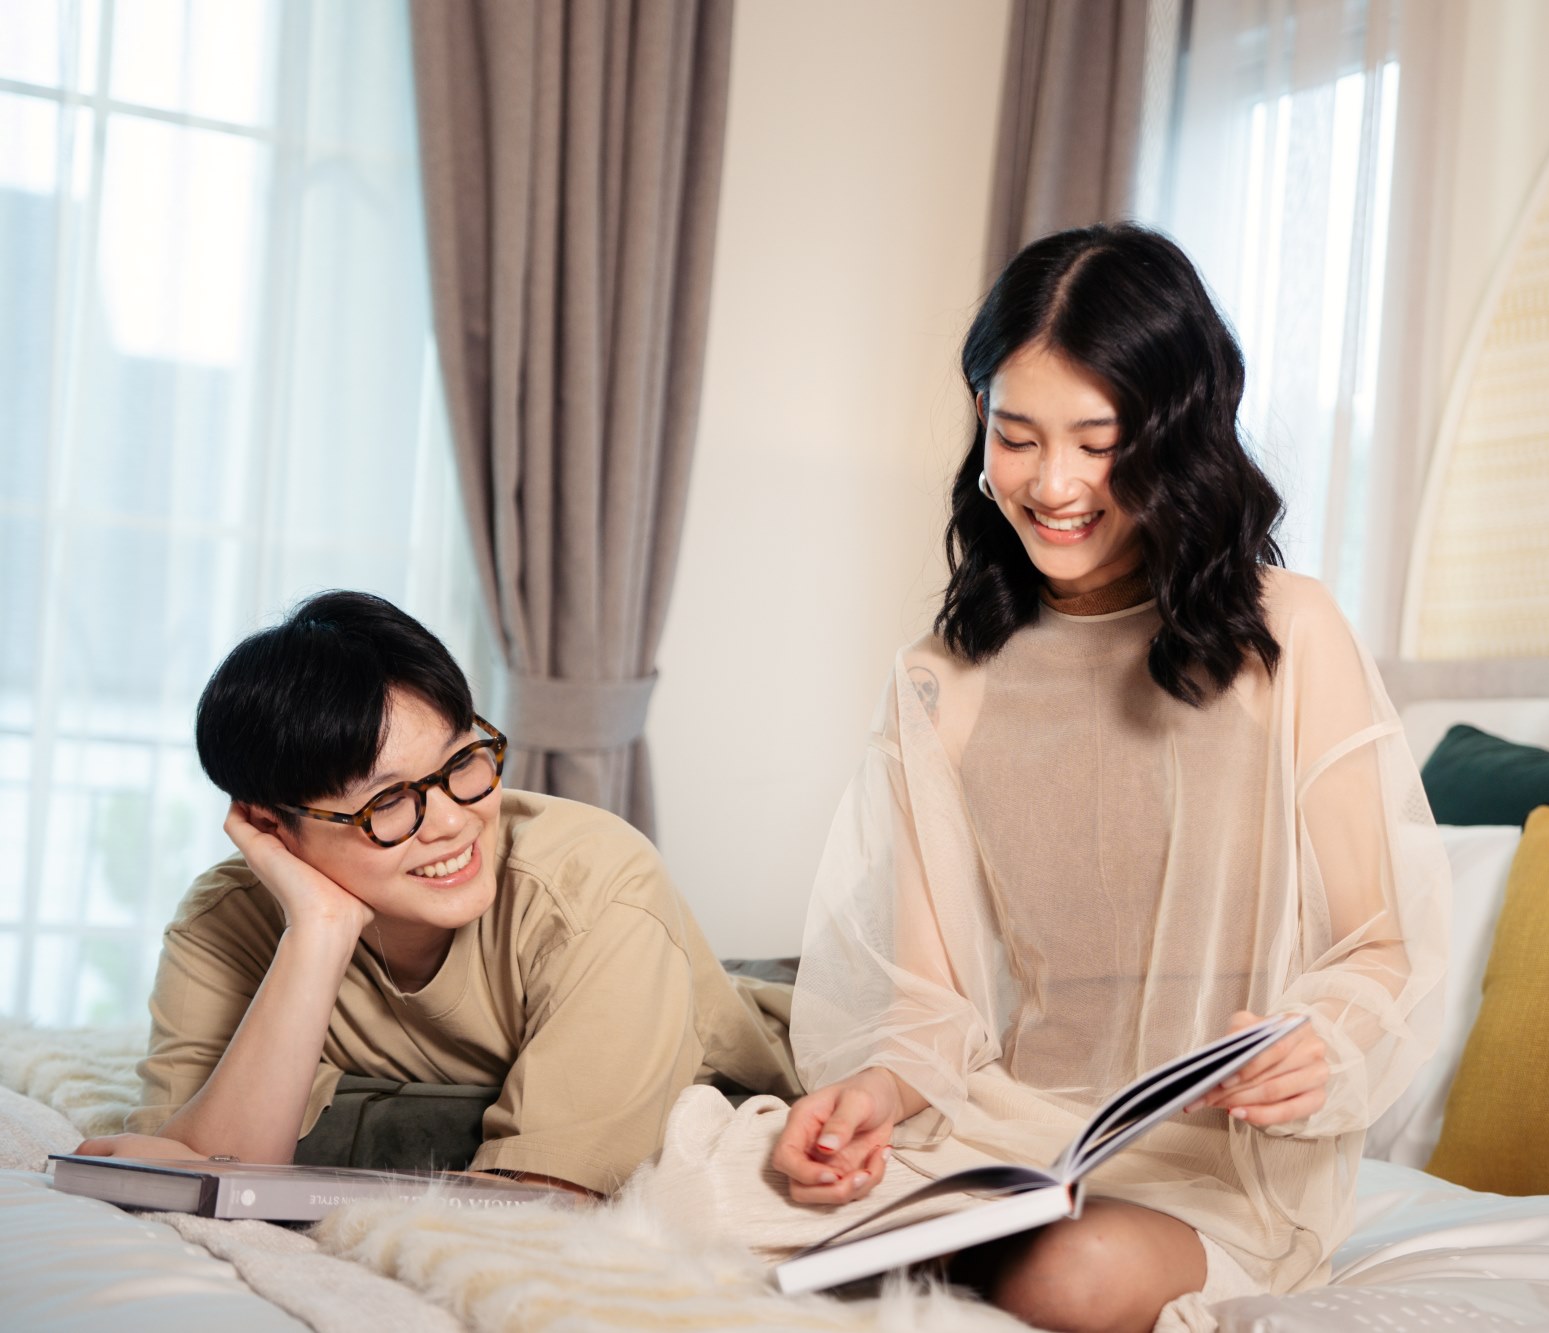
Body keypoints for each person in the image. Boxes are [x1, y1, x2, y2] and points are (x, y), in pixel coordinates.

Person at [767, 224, 1449, 1331]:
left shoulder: (1289, 634)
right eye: (1016, 436)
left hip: (1217, 1172)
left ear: (1178, 434)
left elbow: (1380, 945)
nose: (1053, 483)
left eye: (1100, 442)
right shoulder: (942, 678)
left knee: (1067, 1278)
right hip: (1003, 1141)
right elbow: (931, 1003)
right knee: (723, 1190)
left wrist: (1319, 1045)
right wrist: (872, 1095)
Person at [78, 591, 799, 1197]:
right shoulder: (223, 920)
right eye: (388, 801)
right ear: (271, 825)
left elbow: (546, 1203)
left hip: (768, 1018)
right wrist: (319, 929)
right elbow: (202, 1171)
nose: (454, 821)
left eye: (461, 762)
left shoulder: (596, 881)